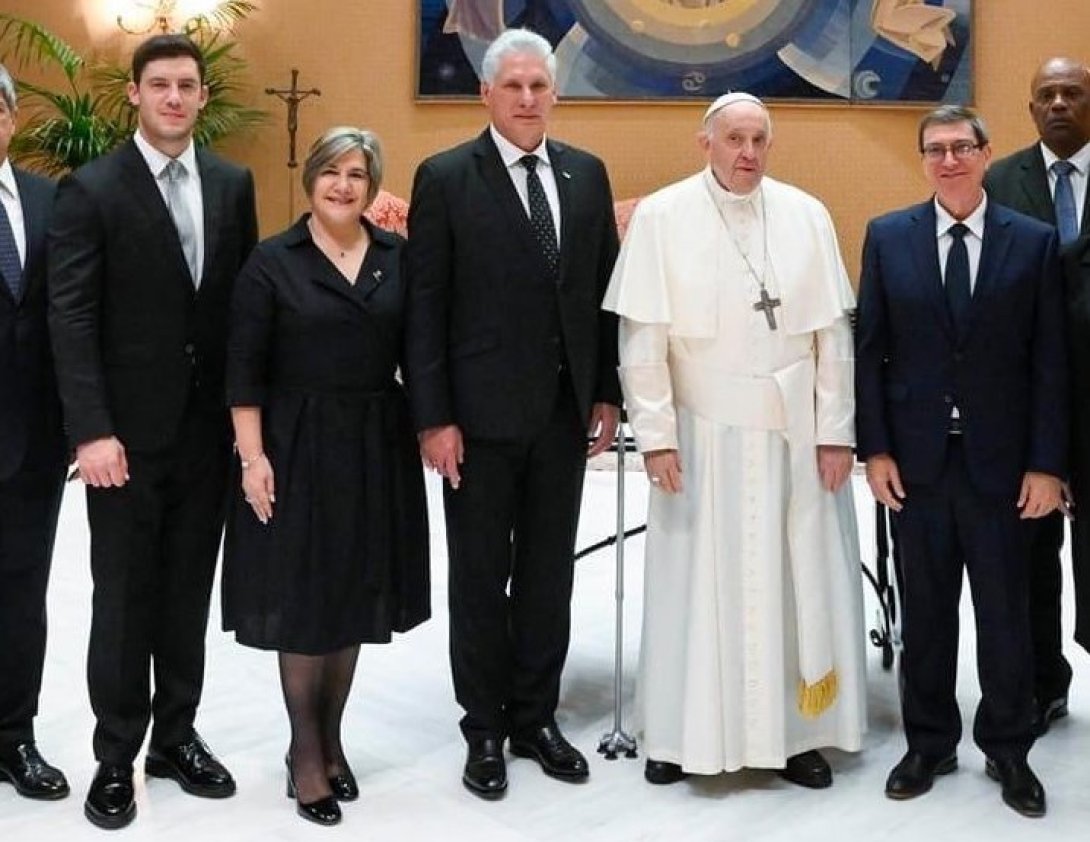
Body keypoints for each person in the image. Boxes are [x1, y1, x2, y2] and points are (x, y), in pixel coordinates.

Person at [602, 92, 865, 790]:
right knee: (690, 581)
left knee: (793, 577)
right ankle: (678, 731)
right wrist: (654, 437)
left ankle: (795, 734)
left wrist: (836, 433)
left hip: (793, 434)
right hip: (702, 433)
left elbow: (832, 340)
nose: (747, 153)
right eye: (734, 140)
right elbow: (642, 339)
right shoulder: (662, 216)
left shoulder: (807, 215)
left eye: (758, 140)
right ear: (706, 143)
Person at [404, 27, 621, 800]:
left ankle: (535, 716)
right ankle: (485, 728)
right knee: (478, 576)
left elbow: (601, 295)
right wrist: (433, 417)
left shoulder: (586, 175)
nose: (528, 99)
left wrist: (609, 392)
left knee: (545, 576)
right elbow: (425, 308)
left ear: (554, 93)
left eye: (540, 86)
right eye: (514, 86)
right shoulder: (447, 176)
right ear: (486, 94)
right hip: (476, 421)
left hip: (562, 417)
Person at [47, 34, 258, 829]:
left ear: (204, 97)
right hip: (123, 445)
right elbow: (71, 318)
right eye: (159, 84)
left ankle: (176, 736)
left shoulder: (234, 186)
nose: (174, 97)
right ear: (134, 94)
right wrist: (91, 431)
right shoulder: (93, 189)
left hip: (207, 437)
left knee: (184, 598)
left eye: (187, 85)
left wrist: (247, 429)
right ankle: (115, 756)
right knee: (126, 600)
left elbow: (241, 313)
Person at [856, 105, 1066, 818]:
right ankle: (929, 742)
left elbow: (1050, 362)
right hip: (916, 465)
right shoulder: (888, 238)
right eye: (935, 149)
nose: (949, 159)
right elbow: (871, 356)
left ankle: (1009, 748)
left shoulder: (1033, 243)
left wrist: (1047, 464)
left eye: (961, 147)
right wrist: (875, 449)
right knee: (927, 611)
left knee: (1006, 613)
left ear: (985, 152)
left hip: (1004, 468)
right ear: (923, 160)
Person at [222, 127, 430, 826]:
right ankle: (304, 753)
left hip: (375, 442)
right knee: (305, 599)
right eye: (332, 173)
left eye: (358, 174)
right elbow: (243, 372)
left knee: (353, 595)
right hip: (295, 443)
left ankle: (332, 739)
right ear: (310, 179)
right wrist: (253, 459)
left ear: (373, 186)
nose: (344, 185)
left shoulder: (398, 257)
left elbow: (422, 352)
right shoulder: (272, 262)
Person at [984, 56, 1090, 733]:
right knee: (1030, 556)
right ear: (1030, 110)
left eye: (1072, 93)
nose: (1058, 104)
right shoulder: (1000, 180)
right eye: (1045, 94)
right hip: (1032, 407)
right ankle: (1043, 682)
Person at [0, 63, 69, 803]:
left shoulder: (54, 201)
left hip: (33, 443)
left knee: (22, 595)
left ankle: (14, 735)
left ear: (12, 119)